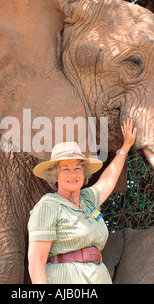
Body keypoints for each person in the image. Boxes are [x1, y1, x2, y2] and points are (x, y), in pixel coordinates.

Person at [27, 119, 137, 284]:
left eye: (77, 168)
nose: (73, 174)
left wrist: (125, 148)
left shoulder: (88, 201)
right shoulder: (48, 206)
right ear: (55, 175)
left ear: (84, 172)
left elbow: (107, 180)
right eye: (66, 169)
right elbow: (36, 262)